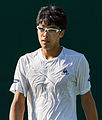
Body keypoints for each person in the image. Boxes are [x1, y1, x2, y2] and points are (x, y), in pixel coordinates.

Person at [9, 6, 98, 120]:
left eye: (51, 30)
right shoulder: (25, 61)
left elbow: (87, 100)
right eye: (42, 29)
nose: (45, 34)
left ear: (61, 33)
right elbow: (18, 102)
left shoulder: (78, 60)